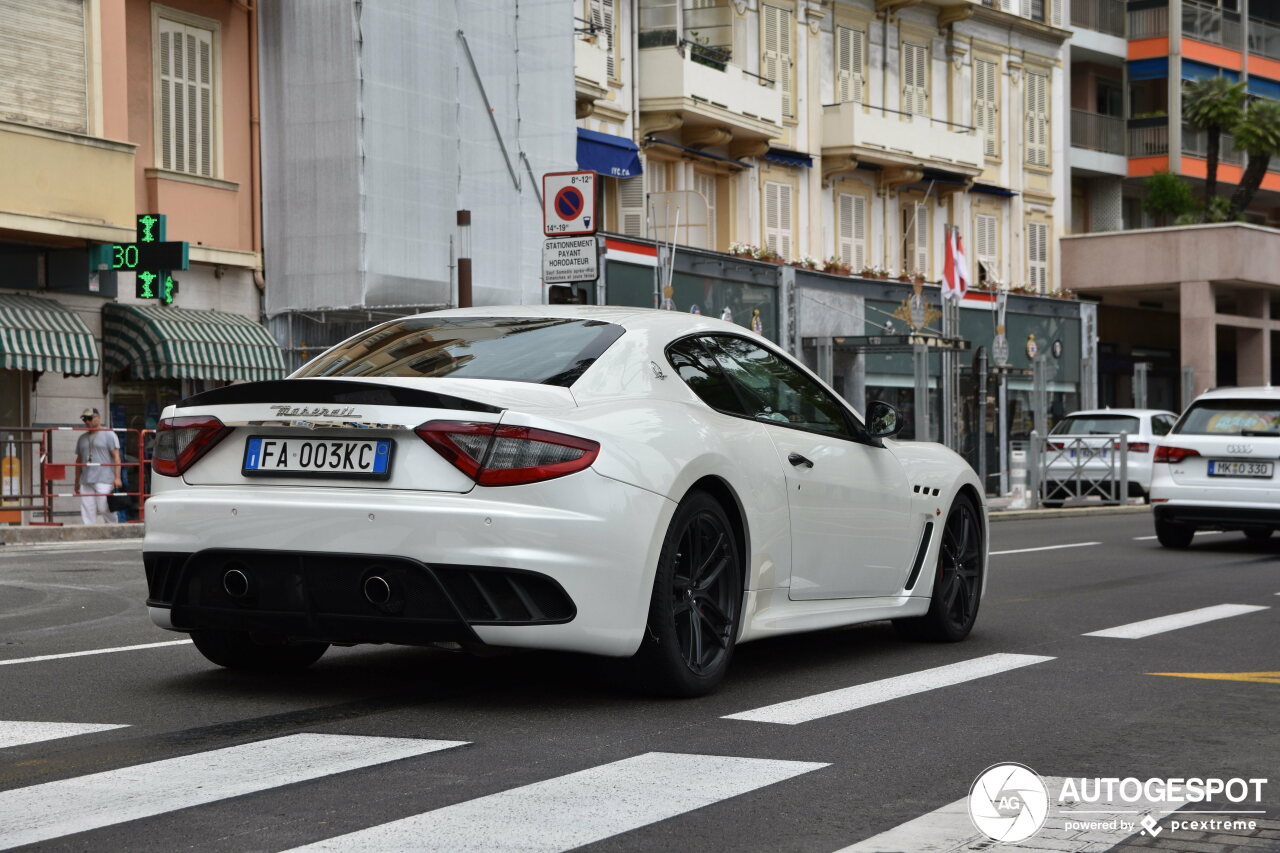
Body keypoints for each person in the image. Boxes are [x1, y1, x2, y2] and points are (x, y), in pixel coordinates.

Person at [74, 408, 121, 525]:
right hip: (86, 479)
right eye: (85, 419)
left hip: (104, 478)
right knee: (87, 508)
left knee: (104, 506)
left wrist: (117, 477)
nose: (87, 421)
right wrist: (76, 481)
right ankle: (89, 530)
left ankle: (113, 526)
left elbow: (116, 456)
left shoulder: (109, 434)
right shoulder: (82, 438)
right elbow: (78, 460)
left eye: (90, 418)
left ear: (98, 418)